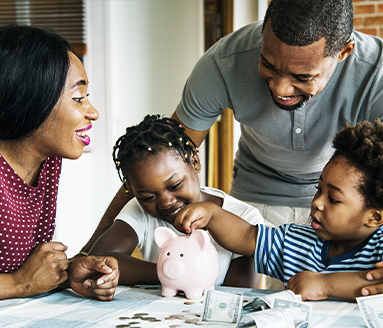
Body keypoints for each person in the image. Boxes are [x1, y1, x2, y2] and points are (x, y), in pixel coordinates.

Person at [80, 0, 383, 293]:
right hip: (254, 206)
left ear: (344, 52)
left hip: (344, 207)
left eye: (302, 76)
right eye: (269, 65)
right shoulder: (224, 62)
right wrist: (87, 252)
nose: (279, 88)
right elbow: (157, 158)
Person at [175, 120, 383, 301]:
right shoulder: (296, 241)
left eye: (333, 199)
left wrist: (324, 284)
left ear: (375, 216)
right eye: (318, 189)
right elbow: (246, 236)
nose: (317, 202)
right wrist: (213, 214)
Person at [0, 24, 119, 301]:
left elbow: (30, 267)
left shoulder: (48, 161)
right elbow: (22, 279)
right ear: (30, 99)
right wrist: (19, 284)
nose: (94, 112)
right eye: (78, 98)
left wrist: (67, 273)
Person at [88, 114, 263, 288]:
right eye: (148, 197)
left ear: (194, 161)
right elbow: (99, 259)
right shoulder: (139, 209)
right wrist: (167, 272)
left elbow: (240, 294)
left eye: (175, 185)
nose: (166, 202)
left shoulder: (245, 217)